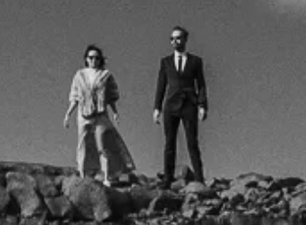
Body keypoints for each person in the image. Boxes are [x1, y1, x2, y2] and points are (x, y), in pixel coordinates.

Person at [63, 44, 137, 181]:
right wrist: (68, 114)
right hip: (83, 113)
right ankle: (82, 174)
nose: (94, 60)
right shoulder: (79, 75)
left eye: (97, 58)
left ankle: (107, 176)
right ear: (86, 59)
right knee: (83, 143)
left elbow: (110, 96)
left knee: (103, 144)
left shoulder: (105, 75)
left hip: (101, 114)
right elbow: (75, 96)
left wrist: (115, 112)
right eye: (91, 58)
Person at [152, 24, 209, 184]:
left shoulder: (196, 61)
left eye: (178, 38)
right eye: (172, 39)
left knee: (192, 142)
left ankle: (199, 178)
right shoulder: (166, 62)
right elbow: (161, 85)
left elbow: (201, 84)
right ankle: (167, 179)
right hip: (170, 106)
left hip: (189, 104)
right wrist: (157, 107)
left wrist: (202, 105)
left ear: (185, 39)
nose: (174, 41)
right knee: (169, 143)